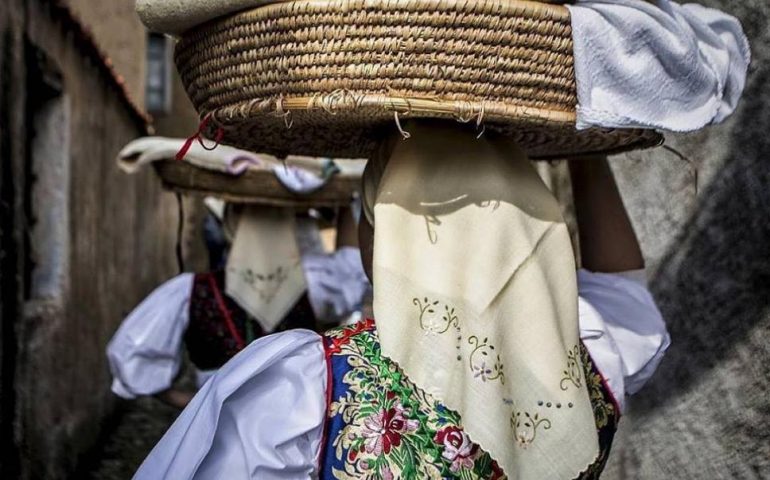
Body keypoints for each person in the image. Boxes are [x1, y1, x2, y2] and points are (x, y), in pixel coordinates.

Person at [132, 123, 669, 478]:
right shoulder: (590, 360)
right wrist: (584, 149)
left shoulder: (304, 388)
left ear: (388, 230)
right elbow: (624, 289)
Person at [107, 205, 369, 408]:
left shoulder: (190, 290)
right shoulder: (314, 287)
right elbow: (352, 266)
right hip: (274, 432)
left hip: (249, 433)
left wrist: (194, 404)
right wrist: (346, 201)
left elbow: (133, 353)